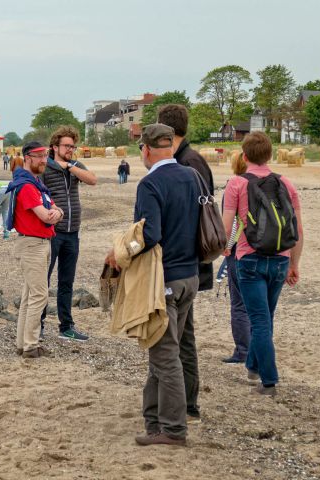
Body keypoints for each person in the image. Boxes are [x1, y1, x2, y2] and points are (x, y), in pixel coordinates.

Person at [106, 123, 200, 446]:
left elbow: (150, 234)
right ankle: (154, 419)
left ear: (145, 150)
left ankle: (173, 430)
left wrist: (122, 252)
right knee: (161, 349)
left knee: (165, 354)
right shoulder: (192, 176)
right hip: (190, 276)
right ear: (171, 145)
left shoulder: (150, 184)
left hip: (165, 279)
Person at [222, 132, 303, 396]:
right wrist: (294, 263)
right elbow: (298, 229)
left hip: (250, 259)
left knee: (259, 321)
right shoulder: (287, 184)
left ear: (244, 157)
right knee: (265, 319)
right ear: (270, 154)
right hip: (280, 260)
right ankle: (253, 366)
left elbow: (227, 226)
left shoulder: (236, 184)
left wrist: (225, 247)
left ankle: (269, 381)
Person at [158, 104, 214, 423]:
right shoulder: (193, 160)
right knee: (183, 335)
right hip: (192, 263)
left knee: (180, 338)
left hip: (186, 264)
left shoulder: (187, 163)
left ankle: (186, 404)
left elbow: (194, 216)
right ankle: (186, 400)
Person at [40, 125, 97, 342]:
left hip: (73, 232)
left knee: (67, 281)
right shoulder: (45, 167)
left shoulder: (75, 165)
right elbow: (39, 196)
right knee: (42, 280)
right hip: (53, 233)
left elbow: (92, 180)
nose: (70, 149)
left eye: (73, 146)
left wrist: (71, 167)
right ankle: (39, 324)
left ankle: (66, 326)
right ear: (55, 146)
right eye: (66, 146)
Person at [7, 141, 63, 358]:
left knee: (30, 295)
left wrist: (56, 213)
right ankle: (30, 345)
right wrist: (57, 214)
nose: (44, 161)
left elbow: (53, 210)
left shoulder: (34, 184)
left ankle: (23, 343)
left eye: (46, 156)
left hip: (38, 242)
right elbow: (46, 215)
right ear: (28, 158)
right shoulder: (28, 186)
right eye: (40, 156)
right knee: (39, 295)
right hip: (33, 244)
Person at [222, 152, 250, 363]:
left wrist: (226, 247)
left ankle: (243, 351)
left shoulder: (235, 185)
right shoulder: (272, 182)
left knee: (239, 304)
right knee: (261, 308)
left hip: (240, 252)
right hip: (268, 251)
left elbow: (232, 223)